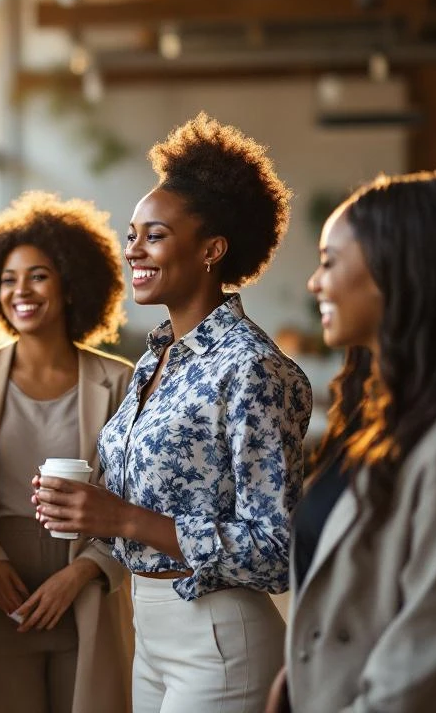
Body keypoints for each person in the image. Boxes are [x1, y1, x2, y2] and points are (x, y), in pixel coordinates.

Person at [34, 113, 313, 712]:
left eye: (154, 235)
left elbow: (276, 549)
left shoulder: (252, 369)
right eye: (132, 233)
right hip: (150, 628)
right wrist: (84, 507)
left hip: (219, 634)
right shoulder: (156, 359)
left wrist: (123, 518)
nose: (132, 248)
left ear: (212, 250)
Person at [270, 171, 436, 712]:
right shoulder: (377, 420)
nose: (314, 283)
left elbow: (430, 647)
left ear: (392, 270)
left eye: (329, 261)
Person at [0, 191, 134, 713]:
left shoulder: (117, 380)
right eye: (8, 278)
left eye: (38, 275)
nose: (20, 290)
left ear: (71, 283)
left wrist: (83, 573)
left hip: (87, 585)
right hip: (1, 591)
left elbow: (133, 500)